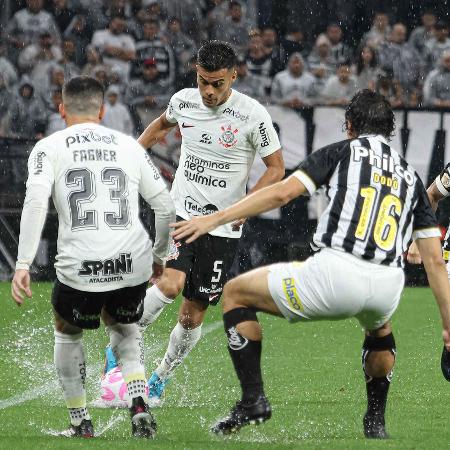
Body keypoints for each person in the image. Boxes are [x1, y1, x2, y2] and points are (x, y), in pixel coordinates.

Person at [170, 90, 450, 438]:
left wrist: (215, 219)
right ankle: (375, 422)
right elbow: (435, 262)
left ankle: (252, 399)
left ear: (349, 125)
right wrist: (449, 328)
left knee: (236, 294)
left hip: (336, 275)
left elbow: (282, 193)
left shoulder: (342, 152)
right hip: (388, 285)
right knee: (379, 330)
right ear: (390, 130)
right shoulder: (410, 176)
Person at [105, 40, 284, 406]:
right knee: (170, 284)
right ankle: (121, 346)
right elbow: (158, 127)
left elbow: (277, 168)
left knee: (192, 315)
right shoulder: (184, 100)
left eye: (218, 83)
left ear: (233, 77)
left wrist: (244, 209)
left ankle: (160, 378)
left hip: (222, 226)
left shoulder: (253, 115)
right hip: (181, 213)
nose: (209, 91)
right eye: (203, 81)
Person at [11, 76, 175, 439]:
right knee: (124, 327)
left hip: (80, 265)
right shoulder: (129, 146)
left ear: (61, 109)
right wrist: (160, 257)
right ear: (102, 110)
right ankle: (137, 403)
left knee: (67, 332)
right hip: (132, 259)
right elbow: (164, 206)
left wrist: (22, 265)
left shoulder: (48, 147)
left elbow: (36, 202)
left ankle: (80, 421)